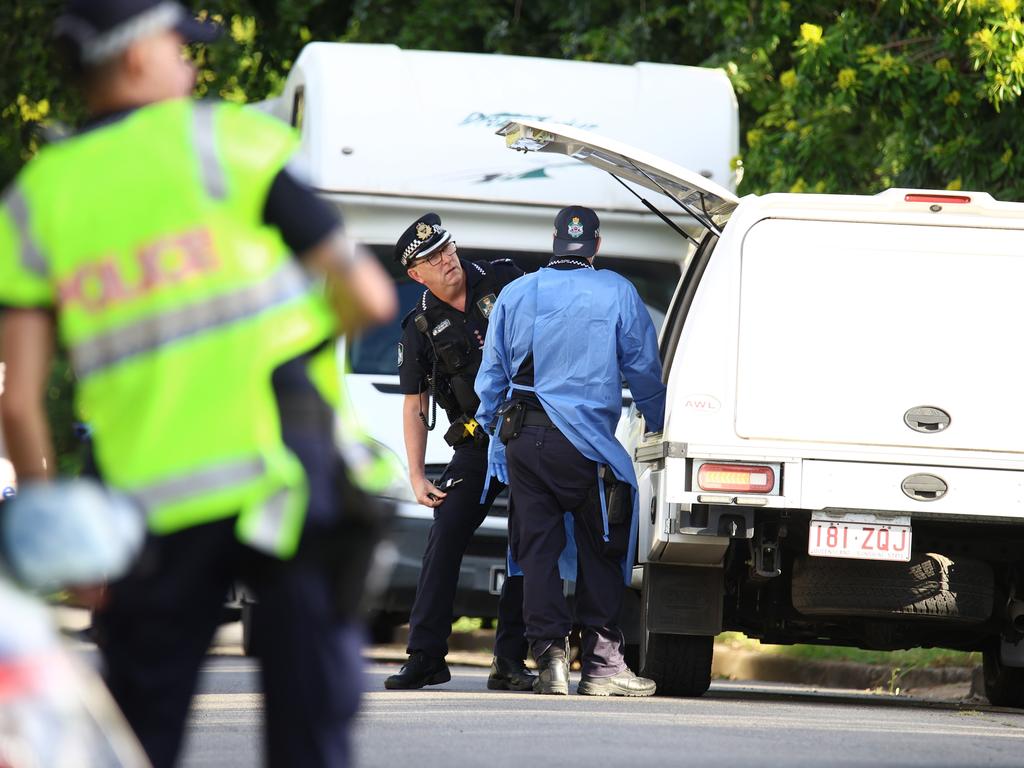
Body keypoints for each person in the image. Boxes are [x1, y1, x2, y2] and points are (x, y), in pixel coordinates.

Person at [0, 1, 397, 766]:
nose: (191, 60)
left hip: (146, 516)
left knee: (140, 741)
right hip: (286, 485)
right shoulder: (233, 143)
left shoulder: (36, 199)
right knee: (310, 739)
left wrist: (64, 540)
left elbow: (18, 399)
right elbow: (372, 299)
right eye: (179, 44)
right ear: (136, 56)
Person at [475, 205, 666, 696]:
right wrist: (661, 422)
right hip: (585, 445)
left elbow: (491, 378)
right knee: (602, 547)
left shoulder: (515, 293)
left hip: (523, 440)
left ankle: (550, 661)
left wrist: (493, 434)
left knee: (536, 552)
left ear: (554, 242)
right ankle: (602, 667)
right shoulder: (618, 292)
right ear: (595, 246)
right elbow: (644, 372)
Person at [384, 213, 535, 691]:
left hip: (531, 434)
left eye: (447, 248)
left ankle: (510, 661)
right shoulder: (420, 326)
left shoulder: (506, 278)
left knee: (528, 541)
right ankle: (426, 655)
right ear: (416, 273)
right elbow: (415, 407)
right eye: (432, 258)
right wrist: (415, 476)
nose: (445, 260)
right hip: (477, 444)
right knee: (446, 529)